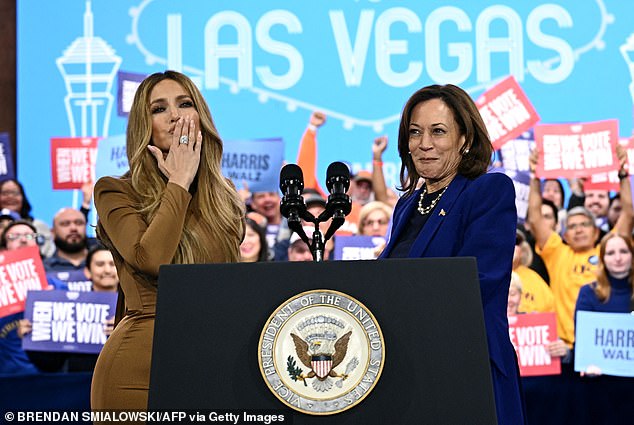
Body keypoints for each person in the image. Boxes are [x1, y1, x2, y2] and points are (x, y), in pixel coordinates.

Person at [90, 70, 245, 410]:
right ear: (144, 126)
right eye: (159, 108)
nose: (175, 115)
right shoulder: (115, 191)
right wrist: (179, 181)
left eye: (184, 104)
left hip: (212, 361)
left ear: (200, 117)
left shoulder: (225, 197)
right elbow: (152, 259)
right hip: (139, 370)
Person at [379, 84, 524, 424]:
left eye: (438, 131)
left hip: (467, 367)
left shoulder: (488, 190)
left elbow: (477, 281)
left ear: (465, 139)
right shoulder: (407, 205)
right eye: (415, 133)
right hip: (410, 369)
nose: (424, 144)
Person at [573, 232, 634, 424]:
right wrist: (587, 361)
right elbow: (583, 338)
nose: (618, 258)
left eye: (623, 251)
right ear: (602, 259)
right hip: (601, 387)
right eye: (611, 253)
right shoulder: (588, 293)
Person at [0, 179, 54, 257]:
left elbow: (46, 254)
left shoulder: (38, 225)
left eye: (15, 193)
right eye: (5, 193)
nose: (10, 196)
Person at [43, 207, 92, 291]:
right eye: (65, 224)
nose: (73, 228)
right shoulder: (43, 269)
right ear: (53, 232)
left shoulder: (106, 264)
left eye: (79, 223)